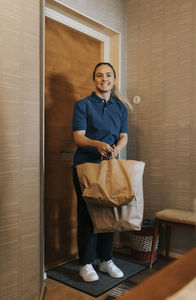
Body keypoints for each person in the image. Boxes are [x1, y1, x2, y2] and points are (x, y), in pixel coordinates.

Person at [72, 62, 128, 282]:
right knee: (87, 215)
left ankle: (106, 260)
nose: (104, 78)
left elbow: (123, 136)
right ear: (94, 79)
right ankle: (86, 264)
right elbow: (78, 136)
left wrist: (117, 149)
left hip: (110, 166)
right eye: (99, 75)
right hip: (85, 166)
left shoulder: (120, 107)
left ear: (114, 79)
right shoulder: (83, 105)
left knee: (109, 213)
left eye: (108, 75)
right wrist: (96, 144)